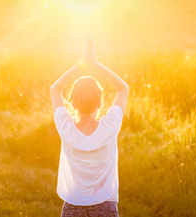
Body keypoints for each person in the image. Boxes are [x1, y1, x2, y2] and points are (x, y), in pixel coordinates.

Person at [50, 37, 129, 217]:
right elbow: (123, 89)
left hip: (72, 207)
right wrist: (95, 63)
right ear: (100, 102)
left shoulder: (66, 127)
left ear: (73, 102)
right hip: (105, 208)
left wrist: (81, 64)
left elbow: (55, 89)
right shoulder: (110, 126)